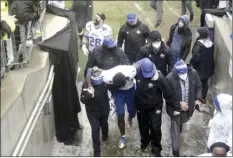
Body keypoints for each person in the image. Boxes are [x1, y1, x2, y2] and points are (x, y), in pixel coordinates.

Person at [134, 58, 182, 157]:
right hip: (141, 106)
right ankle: (144, 142)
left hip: (155, 107)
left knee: (155, 128)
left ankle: (156, 149)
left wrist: (177, 105)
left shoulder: (159, 77)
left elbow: (168, 92)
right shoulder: (136, 73)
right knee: (143, 126)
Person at [166, 60, 202, 157]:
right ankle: (175, 151)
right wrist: (178, 104)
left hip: (187, 109)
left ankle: (178, 128)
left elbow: (198, 86)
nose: (183, 75)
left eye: (185, 73)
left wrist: (198, 99)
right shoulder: (169, 78)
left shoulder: (193, 73)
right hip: (175, 110)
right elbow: (167, 96)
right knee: (175, 133)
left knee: (181, 124)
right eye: (181, 74)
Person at [80, 67, 110, 157]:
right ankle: (97, 153)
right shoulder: (86, 84)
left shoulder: (105, 80)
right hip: (92, 112)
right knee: (95, 130)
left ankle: (105, 135)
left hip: (104, 109)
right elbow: (82, 100)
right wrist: (89, 94)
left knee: (104, 124)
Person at [190, 27, 214, 104]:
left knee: (197, 84)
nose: (196, 33)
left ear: (200, 34)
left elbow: (195, 58)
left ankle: (197, 100)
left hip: (199, 69)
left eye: (198, 32)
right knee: (205, 84)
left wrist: (191, 63)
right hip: (208, 69)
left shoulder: (198, 45)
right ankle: (203, 98)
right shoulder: (211, 44)